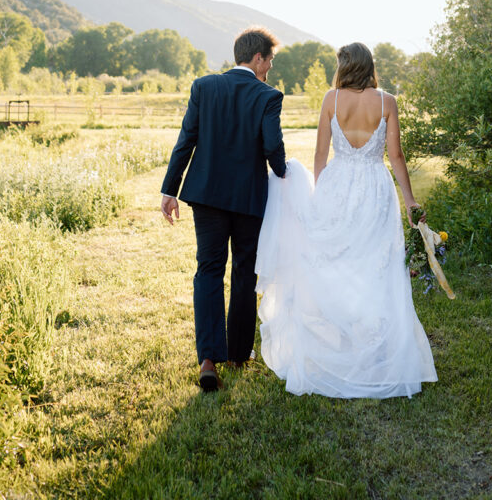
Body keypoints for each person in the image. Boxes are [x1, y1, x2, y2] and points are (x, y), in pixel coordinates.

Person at [255, 41, 437, 398]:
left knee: (337, 262)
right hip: (375, 188)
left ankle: (343, 340)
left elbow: (320, 155)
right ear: (369, 66)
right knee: (375, 267)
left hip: (338, 185)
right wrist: (411, 201)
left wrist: (320, 197)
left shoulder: (331, 100)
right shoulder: (386, 102)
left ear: (343, 66)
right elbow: (396, 157)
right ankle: (374, 348)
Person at [161, 26, 286, 392]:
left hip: (208, 197)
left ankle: (208, 358)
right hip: (248, 198)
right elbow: (272, 147)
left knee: (209, 270)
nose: (270, 69)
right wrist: (284, 173)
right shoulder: (268, 96)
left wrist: (170, 189)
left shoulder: (204, 87)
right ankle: (238, 353)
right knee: (244, 271)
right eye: (270, 61)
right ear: (258, 57)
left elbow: (187, 139)